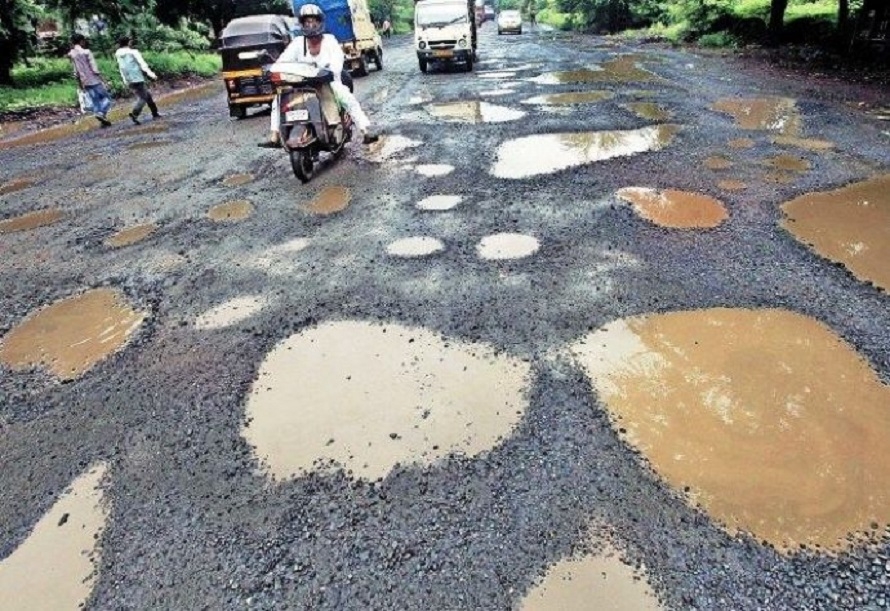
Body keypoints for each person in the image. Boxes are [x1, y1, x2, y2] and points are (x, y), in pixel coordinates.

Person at [258, 3, 378, 147]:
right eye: (307, 22)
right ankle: (275, 135)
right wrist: (271, 70)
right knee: (278, 99)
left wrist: (329, 71)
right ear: (302, 24)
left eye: (314, 21)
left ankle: (365, 129)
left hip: (328, 84)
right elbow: (282, 62)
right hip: (302, 85)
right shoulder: (297, 43)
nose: (311, 25)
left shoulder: (330, 41)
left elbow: (337, 62)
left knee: (347, 97)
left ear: (320, 22)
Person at [68, 34, 112, 127]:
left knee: (95, 101)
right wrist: (104, 79)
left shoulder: (72, 54)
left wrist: (80, 84)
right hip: (94, 79)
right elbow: (94, 68)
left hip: (85, 81)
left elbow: (76, 71)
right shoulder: (86, 52)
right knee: (107, 98)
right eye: (83, 41)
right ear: (81, 41)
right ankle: (101, 113)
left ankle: (102, 120)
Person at [115, 36, 161, 124]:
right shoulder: (133, 52)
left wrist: (125, 80)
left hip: (128, 79)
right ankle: (135, 113)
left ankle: (155, 113)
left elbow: (121, 68)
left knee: (147, 95)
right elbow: (142, 64)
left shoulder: (118, 54)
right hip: (137, 77)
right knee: (143, 97)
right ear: (128, 42)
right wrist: (152, 75)